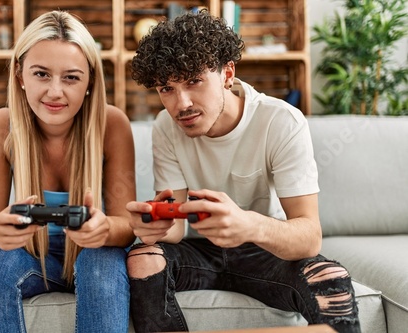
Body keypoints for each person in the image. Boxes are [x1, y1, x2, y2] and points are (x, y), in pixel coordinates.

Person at [125, 10, 361, 333]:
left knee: (330, 278)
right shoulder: (166, 128)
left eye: (194, 80)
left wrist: (246, 224)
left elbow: (309, 236)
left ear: (226, 74)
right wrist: (154, 225)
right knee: (142, 257)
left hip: (262, 247)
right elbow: (175, 231)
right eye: (166, 88)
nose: (181, 104)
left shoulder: (281, 122)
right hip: (200, 251)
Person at [0, 10, 136, 333]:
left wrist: (104, 229)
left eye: (71, 77)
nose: (55, 92)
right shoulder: (2, 127)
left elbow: (127, 227)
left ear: (90, 82)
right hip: (31, 253)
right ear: (20, 75)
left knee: (101, 261)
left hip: (91, 253)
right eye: (41, 74)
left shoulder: (112, 125)